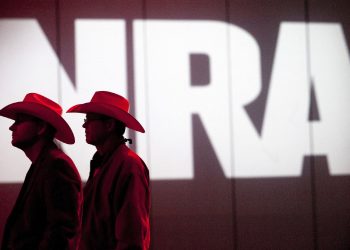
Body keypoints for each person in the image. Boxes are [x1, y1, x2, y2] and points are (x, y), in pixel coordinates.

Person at [67, 91, 150, 250]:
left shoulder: (128, 165)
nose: (84, 125)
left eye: (89, 119)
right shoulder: (104, 162)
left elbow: (131, 237)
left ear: (110, 125)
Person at [0, 93, 82, 250]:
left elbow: (61, 233)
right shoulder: (45, 164)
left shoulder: (56, 166)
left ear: (41, 128)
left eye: (19, 121)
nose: (12, 126)